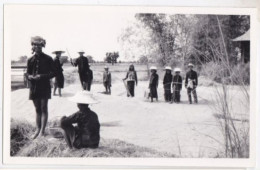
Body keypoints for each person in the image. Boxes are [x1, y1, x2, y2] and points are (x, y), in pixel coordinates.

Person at [26, 36, 56, 139]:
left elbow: (54, 73)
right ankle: (37, 129)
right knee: (37, 108)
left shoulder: (48, 59)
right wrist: (29, 77)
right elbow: (28, 73)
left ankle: (42, 131)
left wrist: (42, 76)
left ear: (42, 46)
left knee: (43, 108)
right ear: (32, 47)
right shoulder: (30, 60)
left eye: (39, 45)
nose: (36, 47)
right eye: (34, 45)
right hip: (34, 87)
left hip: (44, 86)